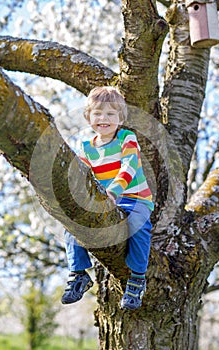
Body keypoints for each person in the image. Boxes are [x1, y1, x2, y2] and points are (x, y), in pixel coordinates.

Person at [61, 86, 154, 310]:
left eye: (111, 114)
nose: (104, 118)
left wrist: (113, 190)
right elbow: (81, 178)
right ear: (88, 117)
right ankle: (79, 272)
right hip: (106, 200)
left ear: (120, 118)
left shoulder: (126, 138)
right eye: (98, 113)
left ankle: (137, 277)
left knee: (138, 225)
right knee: (71, 222)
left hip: (134, 197)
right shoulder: (86, 148)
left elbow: (129, 165)